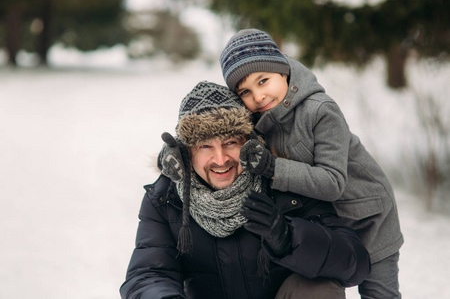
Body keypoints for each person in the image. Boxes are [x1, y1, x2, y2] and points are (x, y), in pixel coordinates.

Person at [120, 81, 370, 299]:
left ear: (250, 143)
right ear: (186, 153)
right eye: (205, 146)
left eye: (230, 143)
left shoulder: (284, 183)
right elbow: (148, 274)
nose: (220, 159)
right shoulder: (166, 198)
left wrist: (289, 238)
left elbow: (354, 263)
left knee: (319, 287)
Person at [219, 29, 404, 298]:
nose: (257, 96)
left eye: (263, 81)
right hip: (324, 225)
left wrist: (273, 168)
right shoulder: (258, 120)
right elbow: (213, 137)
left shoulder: (320, 111)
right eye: (245, 91)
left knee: (379, 293)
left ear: (282, 71)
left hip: (367, 216)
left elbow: (333, 183)